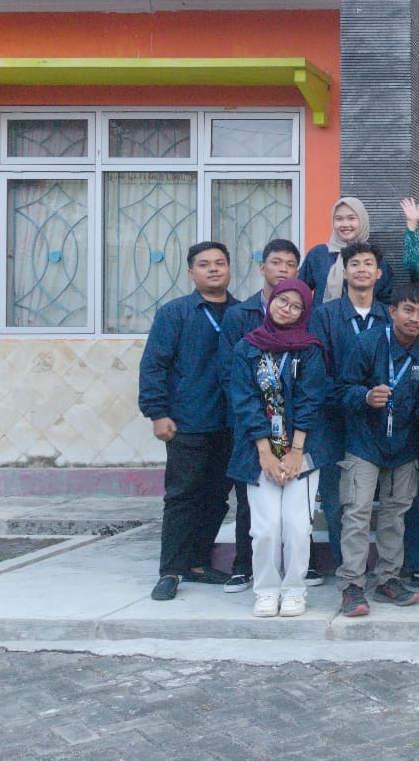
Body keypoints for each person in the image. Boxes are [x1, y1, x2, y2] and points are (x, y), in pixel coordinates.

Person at [334, 282, 419, 617]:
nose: (415, 318)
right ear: (392, 311)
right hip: (365, 443)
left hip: (404, 445)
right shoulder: (366, 343)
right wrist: (365, 397)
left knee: (395, 516)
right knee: (357, 512)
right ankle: (352, 585)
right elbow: (341, 390)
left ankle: (388, 580)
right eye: (408, 310)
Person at [139, 241, 238, 601]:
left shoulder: (242, 313)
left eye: (220, 263)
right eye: (204, 264)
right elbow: (154, 365)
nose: (213, 269)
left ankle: (197, 561)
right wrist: (157, 413)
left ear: (230, 269)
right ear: (191, 272)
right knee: (182, 496)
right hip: (188, 421)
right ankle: (171, 570)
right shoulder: (175, 313)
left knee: (217, 497)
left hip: (231, 423)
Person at [225, 279, 328, 618]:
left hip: (303, 453)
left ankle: (294, 589)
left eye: (296, 305)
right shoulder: (247, 348)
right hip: (259, 455)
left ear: (304, 313)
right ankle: (267, 589)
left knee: (298, 526)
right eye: (282, 300)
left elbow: (312, 399)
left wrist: (296, 451)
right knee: (266, 528)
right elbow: (243, 400)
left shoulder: (310, 349)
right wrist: (266, 452)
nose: (287, 308)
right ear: (270, 301)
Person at [215, 238, 301, 593]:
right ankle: (243, 566)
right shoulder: (241, 315)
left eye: (290, 264)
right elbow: (228, 372)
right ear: (262, 267)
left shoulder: (301, 314)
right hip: (251, 423)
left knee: (292, 509)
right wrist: (254, 423)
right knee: (251, 500)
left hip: (292, 426)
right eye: (276, 262)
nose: (283, 269)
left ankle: (294, 569)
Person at [307, 240, 390, 578]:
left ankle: (392, 571)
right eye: (353, 264)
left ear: (378, 273)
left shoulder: (389, 316)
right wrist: (354, 397)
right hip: (335, 420)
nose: (361, 270)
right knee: (338, 501)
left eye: (368, 264)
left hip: (383, 421)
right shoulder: (324, 316)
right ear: (343, 272)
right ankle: (348, 571)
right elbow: (317, 371)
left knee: (393, 501)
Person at [300, 196, 394, 307]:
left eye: (351, 218)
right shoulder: (318, 254)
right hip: (322, 322)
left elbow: (386, 302)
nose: (345, 224)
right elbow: (299, 292)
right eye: (339, 219)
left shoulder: (374, 258)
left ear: (362, 220)